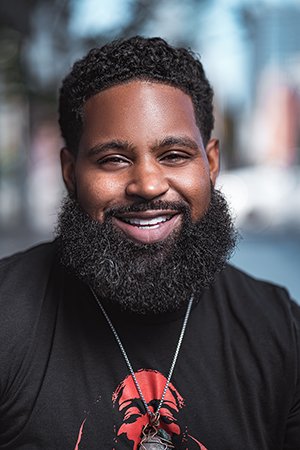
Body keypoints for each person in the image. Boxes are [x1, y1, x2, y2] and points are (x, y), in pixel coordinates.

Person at [0, 36, 299, 450]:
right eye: (113, 160)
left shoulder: (280, 330)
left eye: (175, 155)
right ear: (70, 173)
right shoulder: (7, 317)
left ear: (210, 164)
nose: (148, 185)